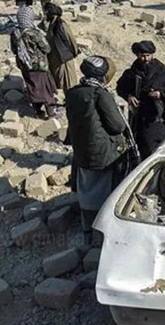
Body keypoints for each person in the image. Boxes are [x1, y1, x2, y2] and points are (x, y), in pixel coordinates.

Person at [65, 56, 126, 244]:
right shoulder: (100, 94)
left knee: (86, 189)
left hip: (82, 150)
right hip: (103, 153)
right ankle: (103, 232)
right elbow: (117, 125)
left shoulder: (73, 93)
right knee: (105, 193)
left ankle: (87, 230)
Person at [116, 41, 165, 159]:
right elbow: (120, 88)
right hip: (139, 116)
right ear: (138, 55)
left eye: (148, 55)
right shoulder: (131, 73)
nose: (146, 59)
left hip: (160, 116)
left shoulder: (163, 72)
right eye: (143, 56)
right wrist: (129, 97)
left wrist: (161, 93)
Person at [10, 5, 57, 118]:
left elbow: (14, 50)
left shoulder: (15, 33)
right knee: (44, 88)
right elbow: (47, 48)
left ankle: (38, 111)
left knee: (32, 87)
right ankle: (51, 113)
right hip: (39, 66)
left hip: (24, 66)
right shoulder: (34, 33)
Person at [44, 2, 80, 93]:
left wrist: (74, 51)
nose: (45, 15)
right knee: (60, 81)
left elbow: (71, 39)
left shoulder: (61, 25)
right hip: (55, 59)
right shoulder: (50, 24)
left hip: (64, 58)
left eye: (47, 13)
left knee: (69, 82)